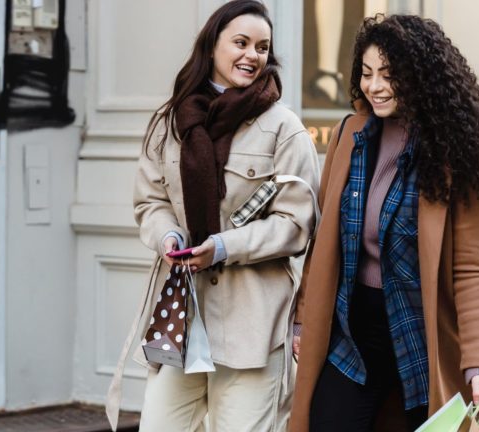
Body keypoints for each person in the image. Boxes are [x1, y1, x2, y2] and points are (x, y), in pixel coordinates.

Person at [290, 14, 479, 432]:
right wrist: (306, 317)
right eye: (366, 73)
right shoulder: (350, 133)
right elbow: (323, 243)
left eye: (388, 74)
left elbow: (473, 267)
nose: (374, 86)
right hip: (353, 334)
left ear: (419, 76)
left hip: (419, 337)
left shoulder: (455, 151)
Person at [106, 1, 321, 431]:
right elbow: (151, 201)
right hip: (181, 315)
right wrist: (168, 237)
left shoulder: (284, 129)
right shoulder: (169, 122)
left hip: (253, 326)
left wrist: (224, 247)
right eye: (240, 43)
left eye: (262, 47)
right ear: (212, 46)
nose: (252, 55)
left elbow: (296, 224)